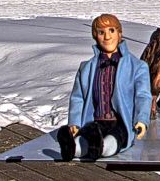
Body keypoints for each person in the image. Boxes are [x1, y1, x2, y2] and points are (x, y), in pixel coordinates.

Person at [58, 14, 152, 161]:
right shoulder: (87, 68)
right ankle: (71, 148)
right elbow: (77, 97)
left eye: (111, 31)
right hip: (94, 122)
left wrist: (141, 119)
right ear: (95, 36)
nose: (107, 37)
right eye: (102, 32)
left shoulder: (137, 67)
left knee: (114, 139)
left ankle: (101, 148)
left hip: (120, 122)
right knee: (86, 137)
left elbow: (143, 96)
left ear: (119, 34)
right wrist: (75, 122)